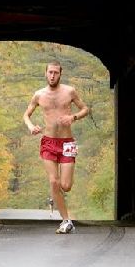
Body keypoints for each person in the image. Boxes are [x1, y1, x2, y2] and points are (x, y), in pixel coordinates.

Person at [23, 60, 90, 234]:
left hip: (67, 142)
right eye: (50, 72)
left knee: (66, 185)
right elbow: (26, 114)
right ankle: (66, 221)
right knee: (54, 181)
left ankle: (56, 196)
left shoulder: (70, 91)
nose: (52, 76)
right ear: (45, 73)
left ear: (60, 74)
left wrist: (73, 117)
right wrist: (31, 127)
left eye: (56, 73)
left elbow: (85, 109)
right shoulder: (39, 95)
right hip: (48, 142)